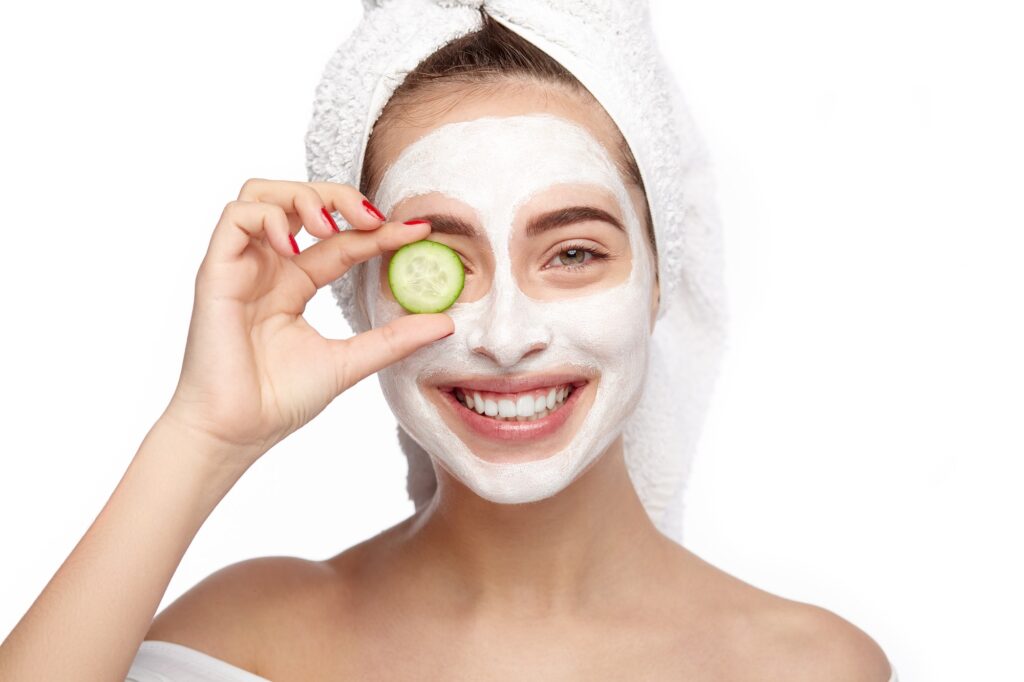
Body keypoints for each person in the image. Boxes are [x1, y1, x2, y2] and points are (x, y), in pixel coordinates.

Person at [0, 3, 897, 681]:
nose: (506, 337)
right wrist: (202, 435)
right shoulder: (251, 638)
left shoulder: (809, 665)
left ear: (663, 275)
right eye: (440, 262)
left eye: (574, 252)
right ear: (357, 288)